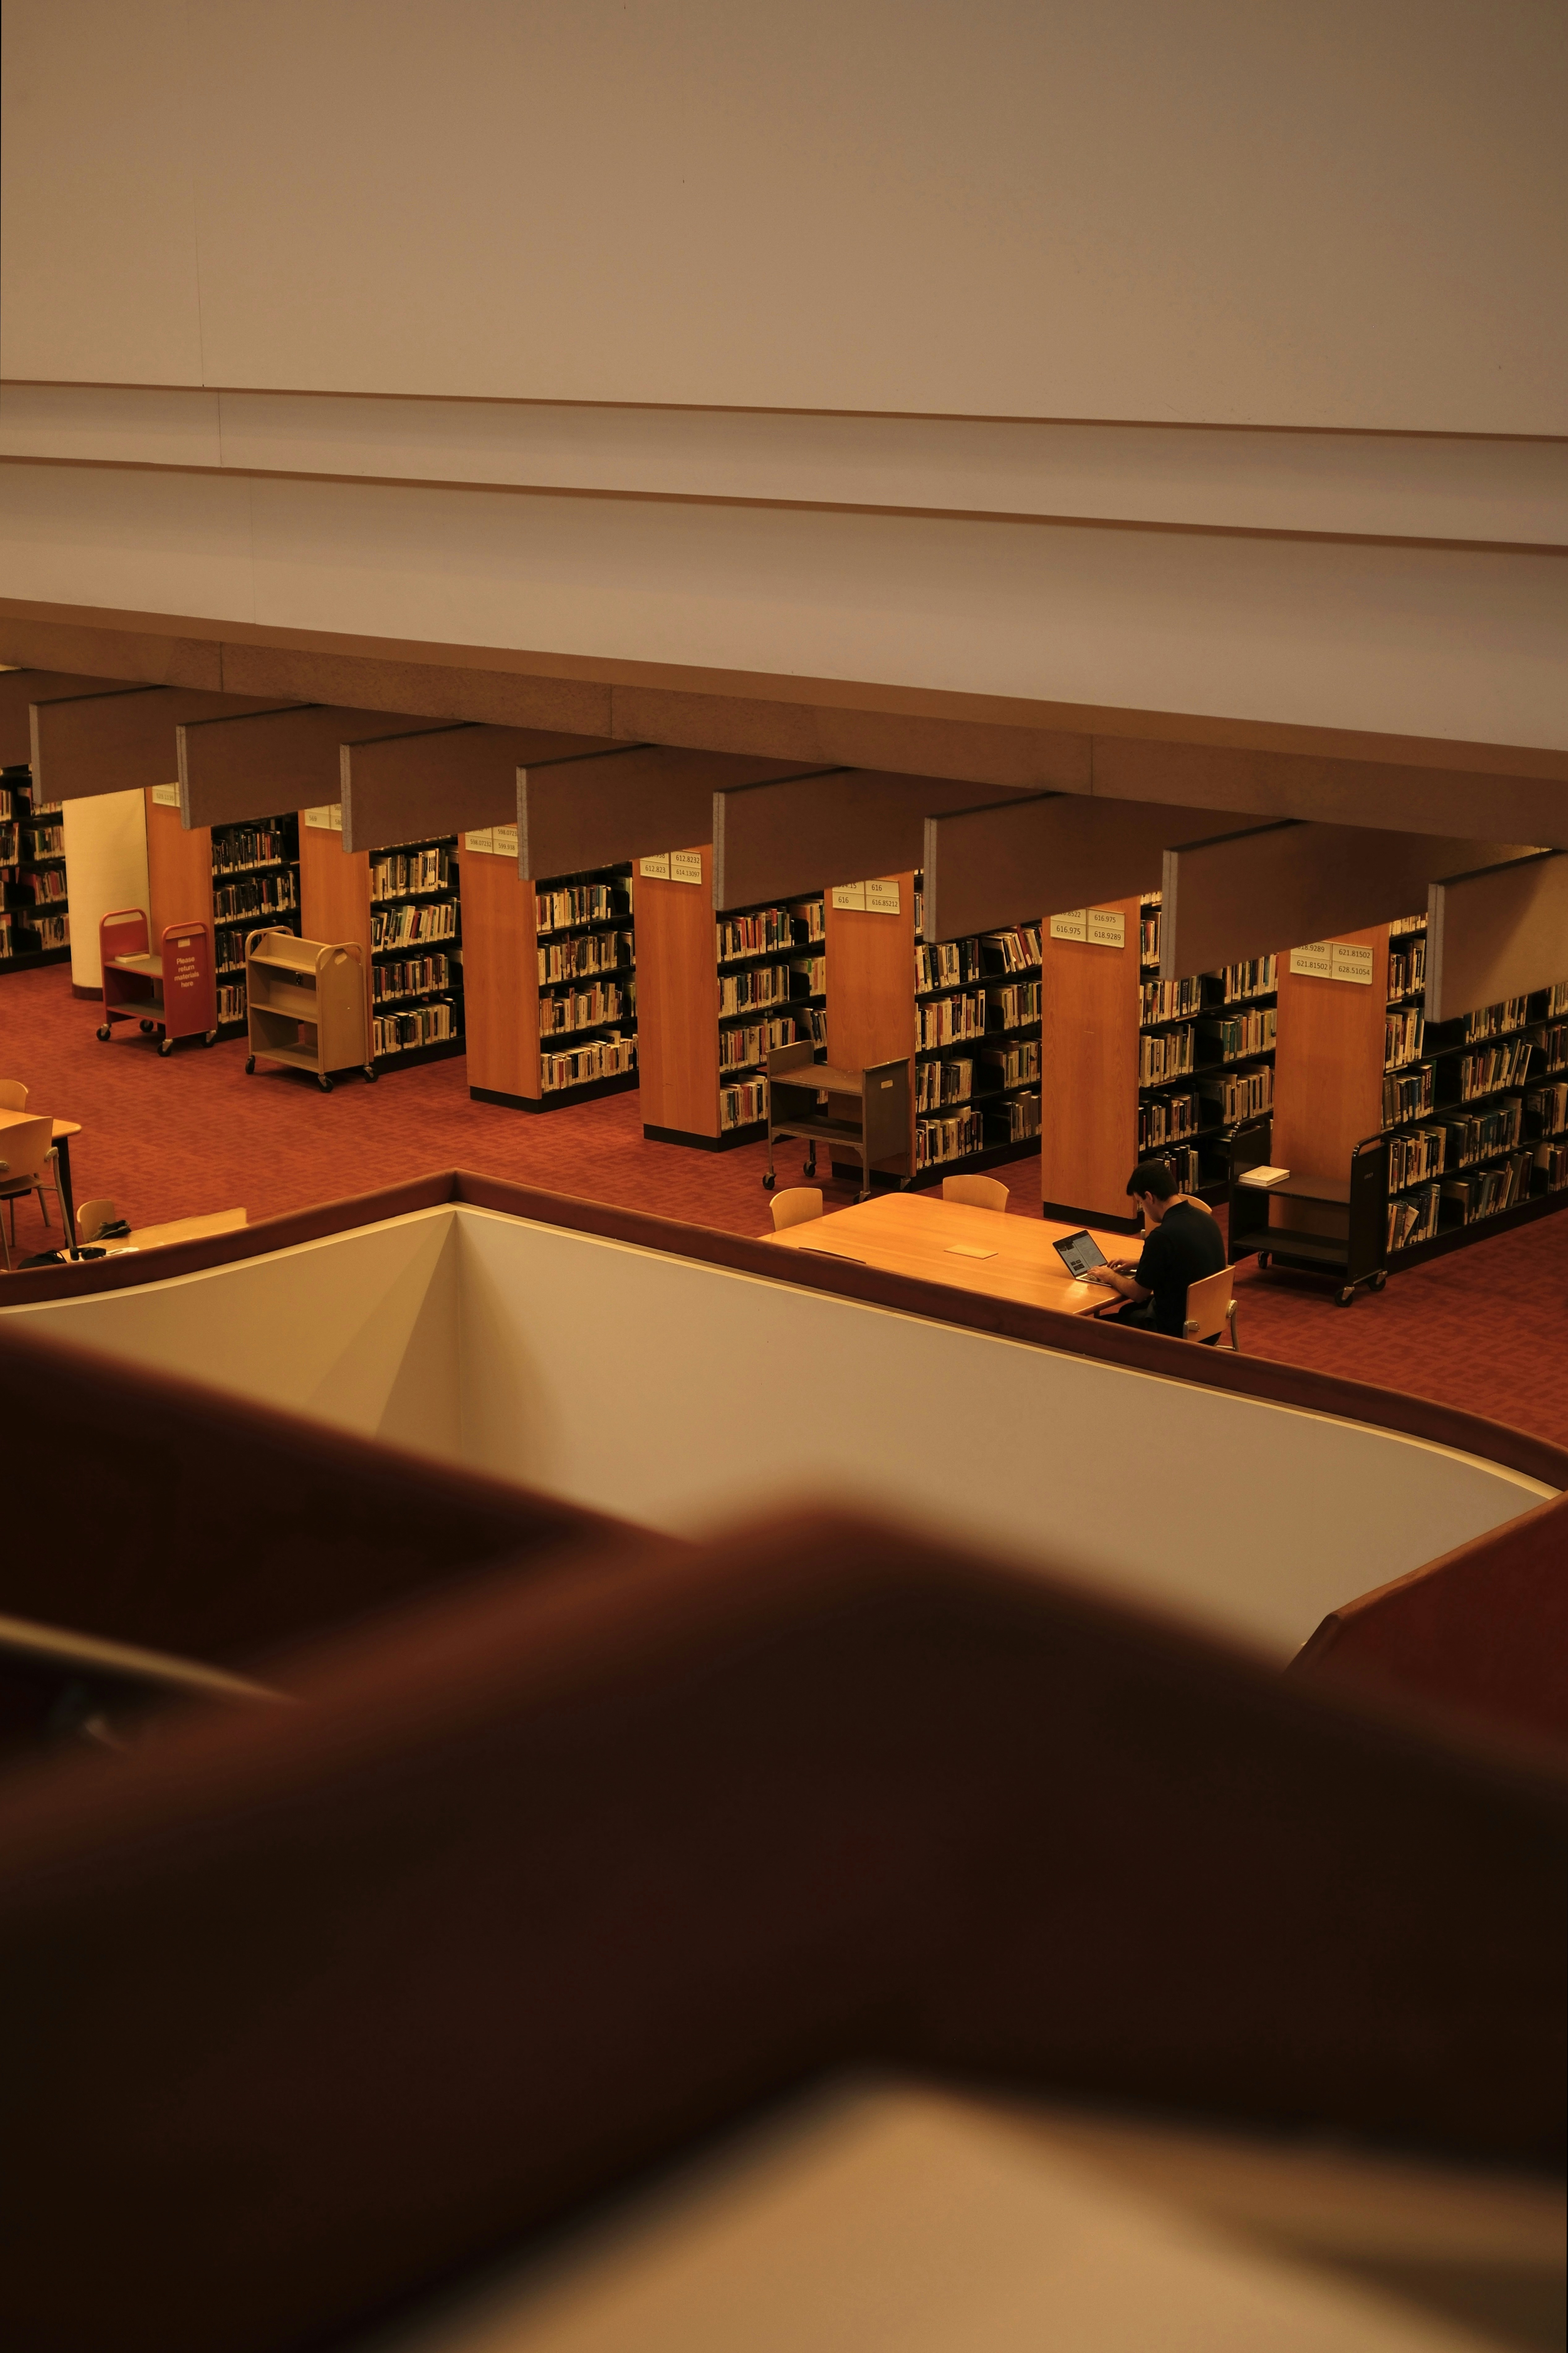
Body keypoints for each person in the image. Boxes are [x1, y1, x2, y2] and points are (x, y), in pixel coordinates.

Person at [1094, 1161, 1227, 1337]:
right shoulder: (1206, 1219)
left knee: (1091, 1328)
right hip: (1208, 1324)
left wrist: (1109, 1276)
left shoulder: (1162, 1236)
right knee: (1127, 1312)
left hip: (1175, 1330)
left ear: (1150, 1197)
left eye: (1141, 1203)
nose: (1144, 1210)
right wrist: (1139, 1263)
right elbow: (1187, 1260)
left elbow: (1138, 1293)